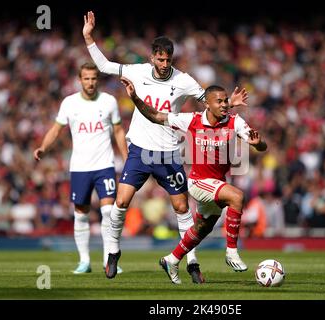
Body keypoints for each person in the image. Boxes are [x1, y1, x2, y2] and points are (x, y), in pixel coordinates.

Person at [82, 11, 248, 282]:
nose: (163, 63)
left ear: (172, 59)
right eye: (159, 59)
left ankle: (191, 263)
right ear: (152, 57)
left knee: (182, 209)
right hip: (140, 150)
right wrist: (88, 37)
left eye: (167, 60)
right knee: (121, 201)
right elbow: (105, 66)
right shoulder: (137, 72)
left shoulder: (183, 80)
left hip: (169, 153)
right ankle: (112, 251)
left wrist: (230, 103)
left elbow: (210, 100)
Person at [120, 76, 267, 284]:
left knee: (202, 228)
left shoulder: (235, 122)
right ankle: (232, 251)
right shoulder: (192, 120)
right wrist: (134, 97)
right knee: (237, 196)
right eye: (220, 101)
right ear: (207, 103)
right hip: (198, 183)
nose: (225, 105)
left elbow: (260, 145)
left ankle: (171, 259)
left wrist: (258, 144)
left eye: (226, 101)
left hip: (216, 183)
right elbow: (155, 116)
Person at [33, 62, 128, 274]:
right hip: (80, 167)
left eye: (94, 78)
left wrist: (127, 159)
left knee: (108, 211)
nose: (90, 82)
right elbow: (56, 130)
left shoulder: (109, 101)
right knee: (81, 214)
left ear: (98, 80)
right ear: (80, 80)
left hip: (105, 165)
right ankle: (84, 261)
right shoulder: (69, 103)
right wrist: (43, 147)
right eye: (86, 78)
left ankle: (108, 260)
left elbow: (119, 131)